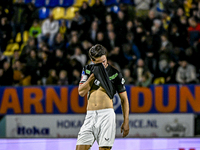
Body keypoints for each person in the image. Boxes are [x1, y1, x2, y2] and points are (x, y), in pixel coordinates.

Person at [76, 44, 129, 150]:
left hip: (106, 116)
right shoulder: (87, 70)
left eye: (104, 61)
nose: (103, 64)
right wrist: (91, 78)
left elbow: (124, 99)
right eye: (99, 63)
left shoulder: (115, 73)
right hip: (90, 116)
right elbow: (81, 92)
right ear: (92, 60)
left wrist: (126, 121)